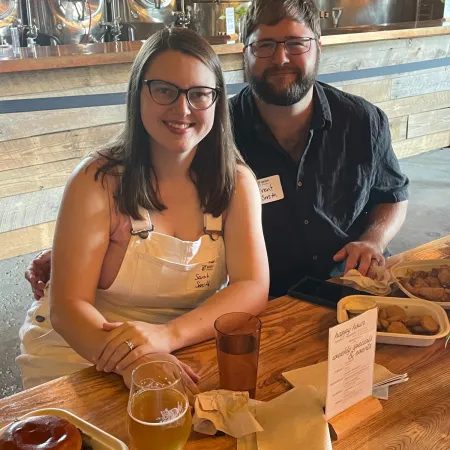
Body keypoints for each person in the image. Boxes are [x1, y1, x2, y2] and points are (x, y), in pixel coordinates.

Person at [26, 0, 408, 299]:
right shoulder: (210, 128)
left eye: (295, 43)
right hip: (264, 299)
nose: (280, 58)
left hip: (355, 287)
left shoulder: (363, 121)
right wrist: (79, 251)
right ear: (244, 53)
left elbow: (393, 195)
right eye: (265, 46)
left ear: (318, 47)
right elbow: (155, 188)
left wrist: (373, 239)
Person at [17, 27, 269, 391]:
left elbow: (252, 286)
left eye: (199, 94)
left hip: (180, 344)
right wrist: (139, 357)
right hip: (78, 350)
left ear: (217, 101)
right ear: (139, 95)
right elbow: (69, 308)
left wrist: (166, 337)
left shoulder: (237, 182)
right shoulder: (97, 179)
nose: (182, 109)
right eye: (165, 90)